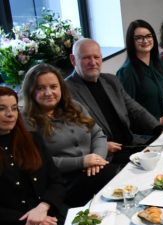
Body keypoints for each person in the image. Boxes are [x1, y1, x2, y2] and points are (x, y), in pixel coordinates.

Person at [0, 86, 68, 225]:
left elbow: (56, 181)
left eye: (13, 108)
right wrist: (32, 218)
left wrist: (43, 207)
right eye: (1, 109)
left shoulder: (32, 139)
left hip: (49, 212)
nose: (10, 114)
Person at [22, 64, 118, 207]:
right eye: (41, 88)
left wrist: (96, 159)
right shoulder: (27, 121)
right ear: (30, 91)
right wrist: (82, 161)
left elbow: (98, 134)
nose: (48, 93)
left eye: (53, 87)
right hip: (64, 183)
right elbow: (39, 161)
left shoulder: (75, 106)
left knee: (121, 177)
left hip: (95, 170)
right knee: (116, 179)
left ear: (61, 87)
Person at [66, 39, 163, 164]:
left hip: (131, 143)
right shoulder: (67, 91)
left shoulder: (111, 80)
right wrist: (100, 146)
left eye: (96, 57)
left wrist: (157, 128)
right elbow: (70, 133)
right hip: (105, 156)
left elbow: (135, 109)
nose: (93, 62)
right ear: (73, 60)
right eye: (86, 58)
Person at [117, 20, 163, 118]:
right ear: (131, 41)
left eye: (149, 36)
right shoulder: (126, 73)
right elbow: (127, 111)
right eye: (139, 38)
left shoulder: (162, 64)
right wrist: (159, 121)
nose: (145, 41)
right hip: (151, 131)